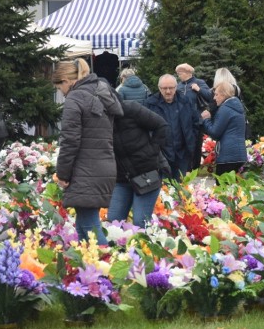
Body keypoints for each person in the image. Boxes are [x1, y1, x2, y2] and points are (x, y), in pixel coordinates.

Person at [52, 59, 123, 245]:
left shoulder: (75, 99)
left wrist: (62, 174)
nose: (61, 92)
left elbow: (69, 141)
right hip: (103, 165)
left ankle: (107, 264)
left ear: (67, 80)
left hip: (85, 169)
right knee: (84, 223)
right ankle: (89, 265)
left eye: (60, 87)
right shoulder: (101, 92)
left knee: (90, 225)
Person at [107, 98, 168, 227]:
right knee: (113, 222)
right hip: (122, 177)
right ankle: (121, 247)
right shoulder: (99, 120)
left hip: (146, 173)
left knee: (140, 223)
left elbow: (161, 125)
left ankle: (146, 246)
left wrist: (153, 151)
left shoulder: (131, 108)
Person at [144, 74, 197, 180]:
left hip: (181, 154)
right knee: (164, 190)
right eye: (164, 88)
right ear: (159, 88)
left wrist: (191, 139)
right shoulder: (150, 104)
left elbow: (195, 123)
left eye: (171, 88)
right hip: (160, 154)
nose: (168, 91)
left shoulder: (185, 101)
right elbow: (144, 128)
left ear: (176, 87)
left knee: (180, 189)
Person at [200, 81, 247, 176]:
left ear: (223, 94)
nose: (214, 97)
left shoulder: (225, 109)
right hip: (239, 155)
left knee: (222, 188)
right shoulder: (236, 107)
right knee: (236, 188)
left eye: (216, 94)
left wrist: (206, 119)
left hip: (227, 157)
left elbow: (214, 132)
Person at [175, 63, 212, 171]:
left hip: (196, 121)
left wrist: (199, 89)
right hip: (182, 120)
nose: (178, 76)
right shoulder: (179, 86)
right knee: (183, 144)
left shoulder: (199, 82)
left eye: (179, 73)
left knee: (196, 144)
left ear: (187, 73)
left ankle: (195, 167)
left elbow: (210, 96)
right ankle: (185, 168)